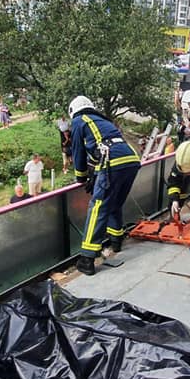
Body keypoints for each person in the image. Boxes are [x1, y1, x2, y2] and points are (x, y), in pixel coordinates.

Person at [70, 95, 140, 276]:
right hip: (131, 159)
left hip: (113, 162)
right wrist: (95, 175)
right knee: (114, 202)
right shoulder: (102, 120)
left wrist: (82, 177)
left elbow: (78, 151)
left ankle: (87, 258)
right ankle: (116, 240)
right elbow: (97, 151)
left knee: (98, 207)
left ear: (73, 111)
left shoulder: (79, 120)